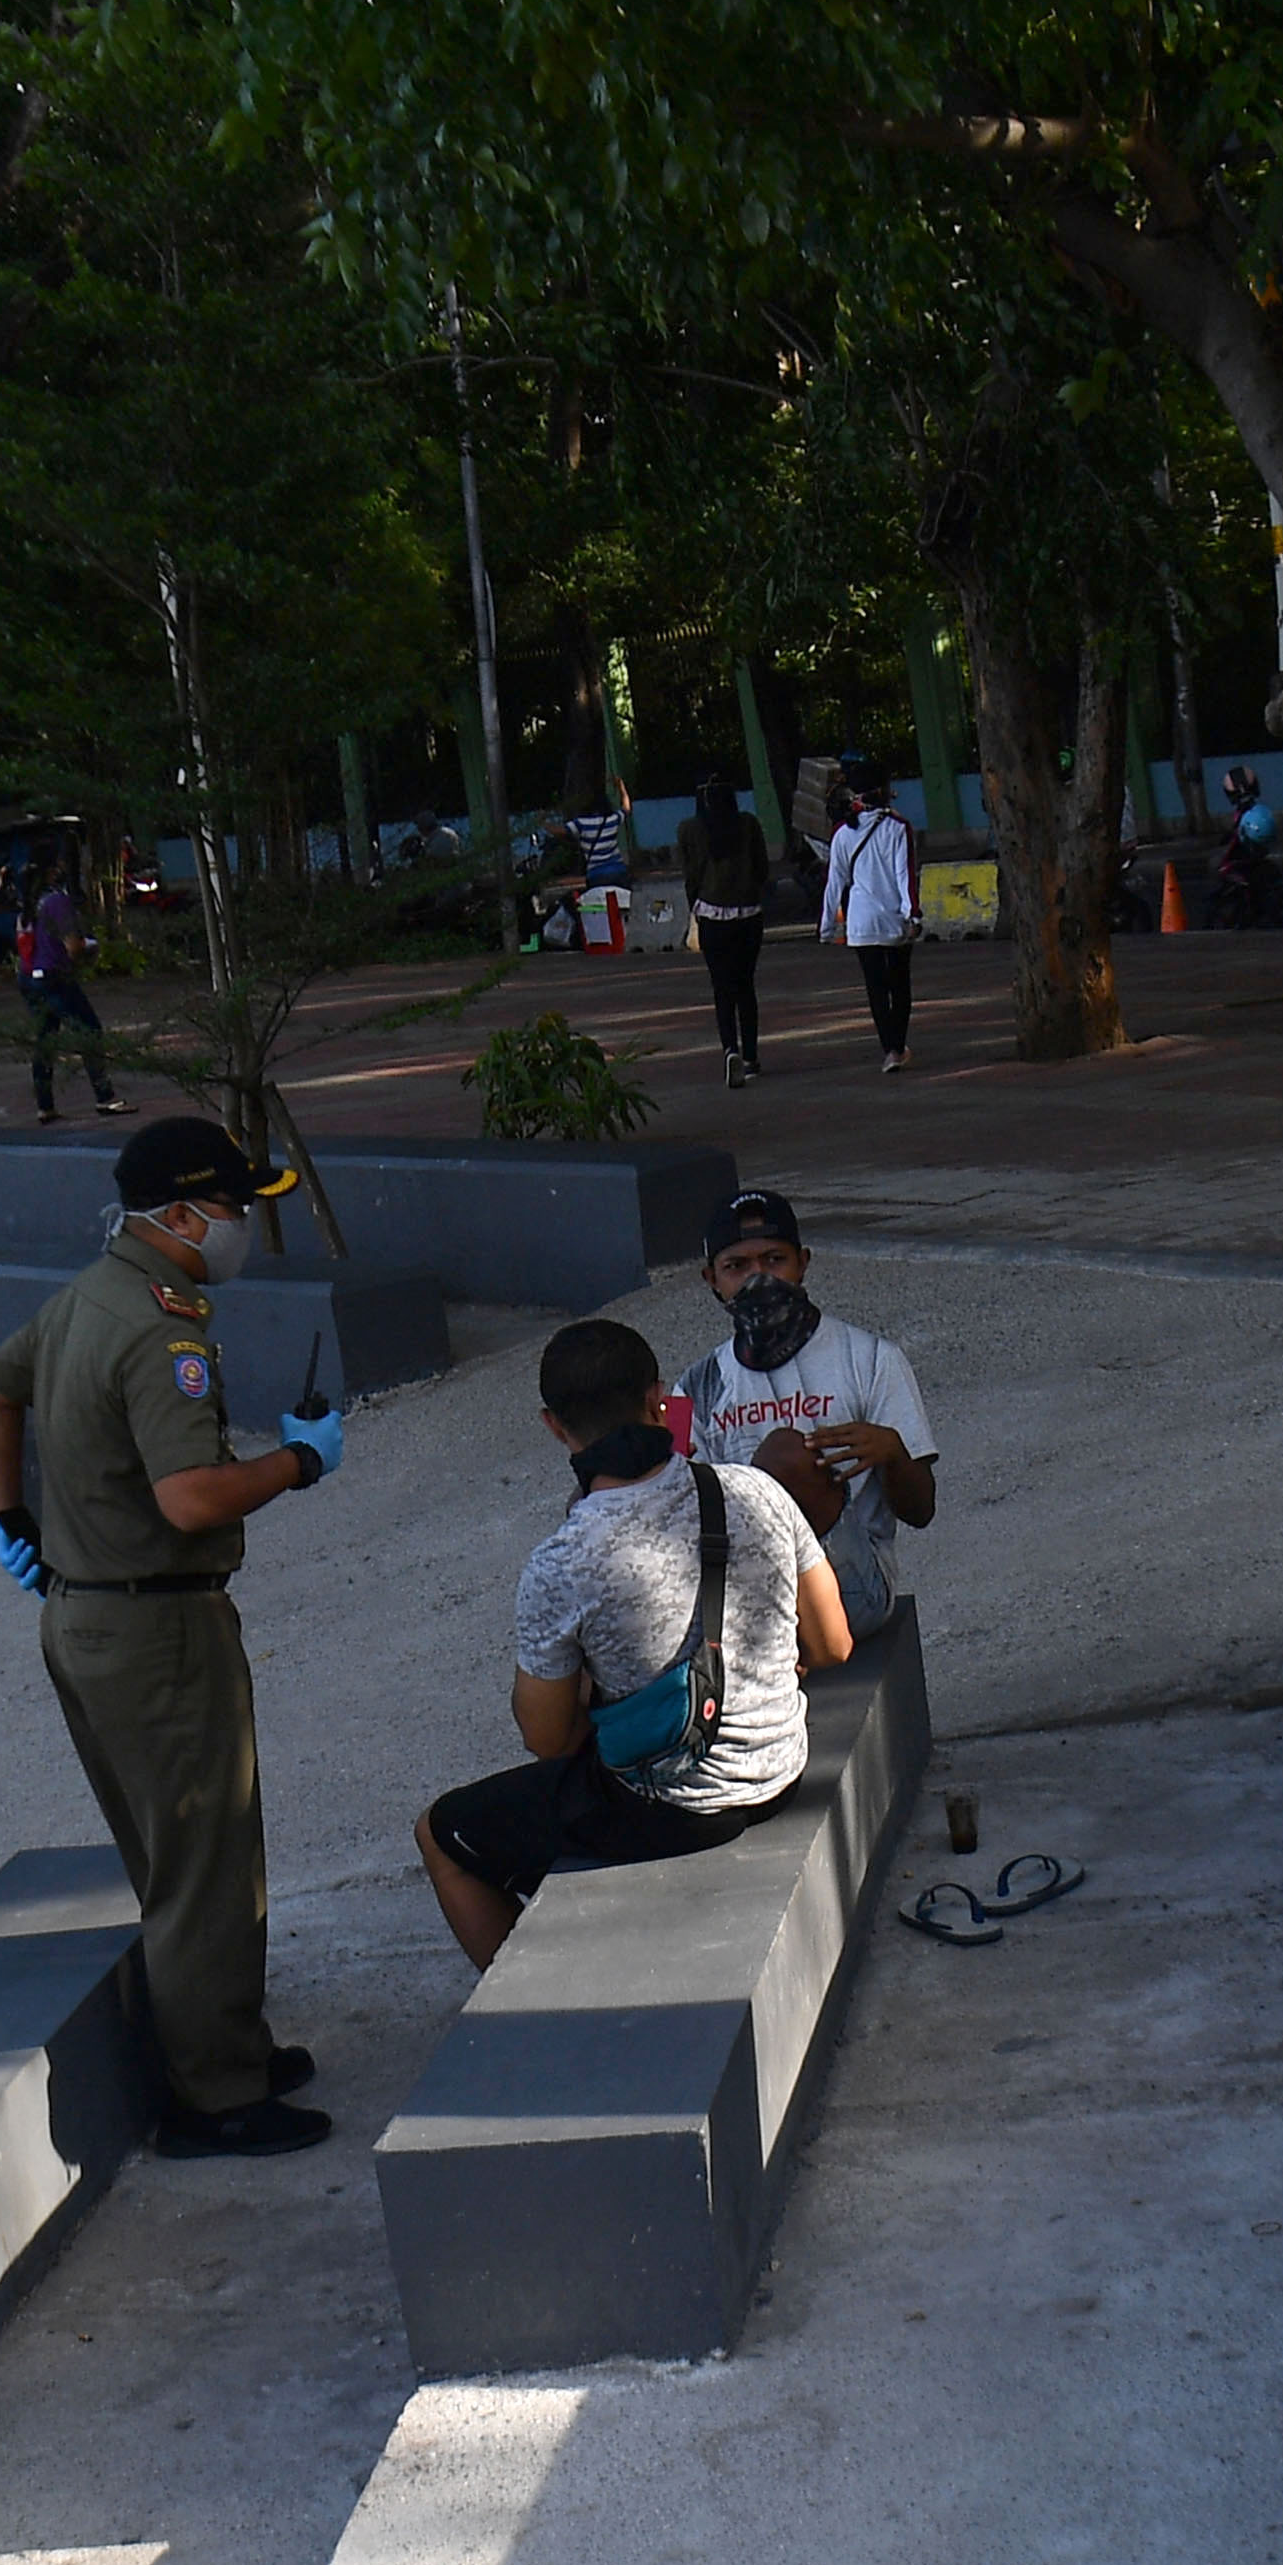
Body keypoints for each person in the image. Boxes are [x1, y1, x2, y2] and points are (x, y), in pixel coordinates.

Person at [0, 1115, 353, 2158]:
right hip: (157, 1628)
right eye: (233, 1209)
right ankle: (213, 2098)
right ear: (179, 1215)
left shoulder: (87, 1295)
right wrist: (299, 1463)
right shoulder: (159, 1330)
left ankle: (220, 2046)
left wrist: (7, 1519)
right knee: (205, 1867)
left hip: (87, 1614)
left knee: (172, 1857)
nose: (241, 1227)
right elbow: (189, 1498)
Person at [417, 1317, 852, 1969]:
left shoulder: (562, 1560)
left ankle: (535, 1998)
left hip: (671, 1807)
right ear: (659, 1401)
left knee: (442, 1832)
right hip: (779, 1770)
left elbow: (543, 1738)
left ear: (554, 1426)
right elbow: (835, 1644)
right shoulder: (756, 1490)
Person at [676, 1188, 938, 1636]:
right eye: (737, 1267)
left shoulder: (873, 1358)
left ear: (803, 1263)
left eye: (774, 1260)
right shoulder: (691, 1387)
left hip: (853, 1589)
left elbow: (921, 1511)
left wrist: (894, 1453)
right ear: (711, 1280)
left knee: (786, 1457)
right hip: (747, 1590)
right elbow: (667, 1504)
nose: (759, 1278)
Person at [675, 774, 774, 1086]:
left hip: (712, 915)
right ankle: (752, 1057)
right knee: (746, 986)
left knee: (721, 987)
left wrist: (696, 905)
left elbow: (689, 875)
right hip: (748, 914)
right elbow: (762, 868)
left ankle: (730, 1048)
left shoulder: (690, 829)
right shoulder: (748, 824)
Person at [18, 871, 132, 1127]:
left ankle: (44, 1104)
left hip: (30, 977)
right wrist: (88, 949)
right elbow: (73, 945)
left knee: (45, 1039)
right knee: (89, 1032)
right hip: (55, 977)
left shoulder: (30, 901)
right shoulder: (56, 901)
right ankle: (105, 1096)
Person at [826, 777, 921, 1070]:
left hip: (860, 922)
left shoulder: (842, 833)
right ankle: (897, 1046)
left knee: (875, 987)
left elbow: (834, 881)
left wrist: (827, 924)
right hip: (892, 919)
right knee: (899, 985)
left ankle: (889, 1049)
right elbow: (905, 874)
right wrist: (913, 913)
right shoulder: (898, 828)